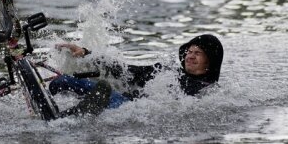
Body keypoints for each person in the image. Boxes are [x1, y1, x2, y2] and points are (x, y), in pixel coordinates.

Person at [50, 34, 224, 118]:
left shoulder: (209, 92)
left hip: (126, 107)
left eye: (198, 53)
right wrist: (86, 52)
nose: (190, 56)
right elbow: (128, 71)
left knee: (106, 98)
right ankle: (56, 107)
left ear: (211, 61)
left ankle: (66, 116)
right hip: (124, 100)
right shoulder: (167, 72)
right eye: (189, 51)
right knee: (61, 82)